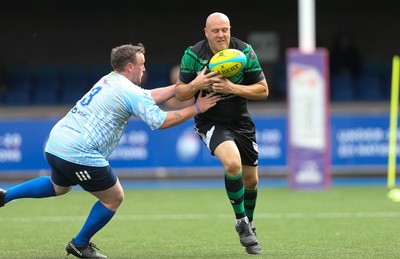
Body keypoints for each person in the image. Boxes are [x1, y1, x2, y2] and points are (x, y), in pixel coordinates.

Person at [0, 43, 219, 259]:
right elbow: (161, 121)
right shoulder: (127, 90)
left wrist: (182, 87)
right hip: (78, 151)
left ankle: (5, 196)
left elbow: (148, 96)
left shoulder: (110, 79)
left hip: (57, 143)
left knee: (59, 186)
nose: (145, 67)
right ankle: (79, 244)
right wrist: (197, 108)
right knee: (113, 198)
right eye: (141, 63)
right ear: (130, 67)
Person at [175, 12, 269, 255]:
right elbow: (180, 93)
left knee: (251, 181)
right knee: (232, 164)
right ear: (206, 32)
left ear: (230, 29)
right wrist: (198, 84)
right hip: (210, 121)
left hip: (241, 122)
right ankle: (240, 221)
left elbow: (263, 91)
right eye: (215, 30)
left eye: (224, 29)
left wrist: (231, 87)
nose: (221, 34)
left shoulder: (245, 52)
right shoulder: (193, 55)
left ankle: (249, 223)